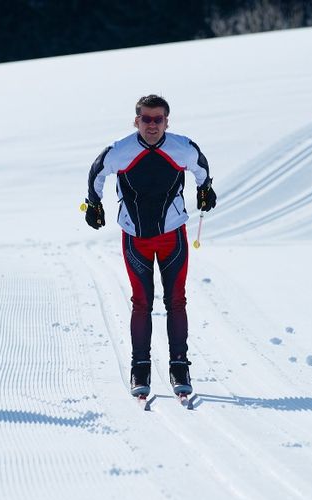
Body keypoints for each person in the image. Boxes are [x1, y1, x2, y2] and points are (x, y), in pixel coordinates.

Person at [84, 94, 217, 397]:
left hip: (173, 235)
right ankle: (140, 368)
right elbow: (97, 171)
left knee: (176, 301)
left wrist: (206, 189)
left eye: (158, 119)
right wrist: (93, 204)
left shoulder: (182, 147)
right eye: (146, 119)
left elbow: (201, 166)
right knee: (142, 303)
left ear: (167, 122)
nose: (152, 125)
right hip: (135, 237)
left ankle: (179, 367)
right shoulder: (120, 151)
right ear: (136, 121)